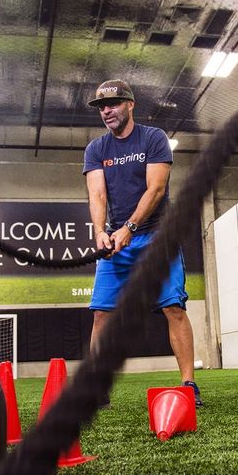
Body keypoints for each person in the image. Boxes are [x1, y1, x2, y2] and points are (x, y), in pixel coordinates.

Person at [82, 79, 202, 407]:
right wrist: (100, 232)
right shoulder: (96, 149)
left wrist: (129, 228)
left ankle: (188, 383)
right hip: (118, 241)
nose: (107, 111)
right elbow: (97, 194)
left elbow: (156, 189)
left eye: (114, 104)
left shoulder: (153, 138)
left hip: (157, 237)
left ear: (130, 104)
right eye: (102, 107)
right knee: (101, 315)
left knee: (173, 307)